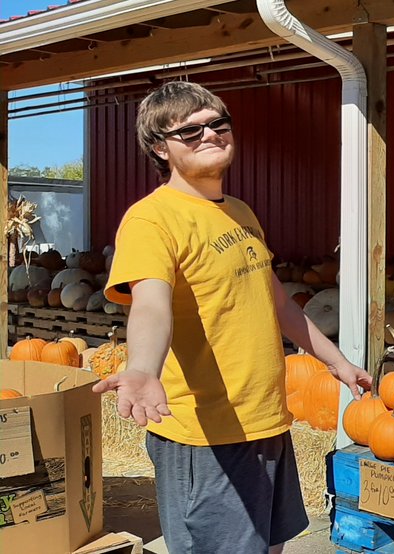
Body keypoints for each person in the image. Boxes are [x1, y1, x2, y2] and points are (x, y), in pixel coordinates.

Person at [92, 81, 371, 554]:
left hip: (264, 421)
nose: (209, 134)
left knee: (268, 546)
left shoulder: (240, 212)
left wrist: (336, 361)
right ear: (160, 147)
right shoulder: (151, 220)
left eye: (218, 124)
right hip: (205, 437)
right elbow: (152, 304)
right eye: (189, 130)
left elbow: (278, 304)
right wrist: (142, 368)